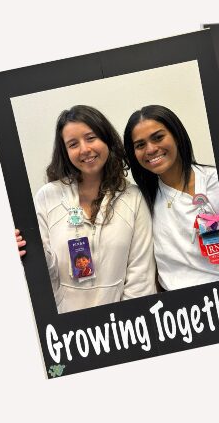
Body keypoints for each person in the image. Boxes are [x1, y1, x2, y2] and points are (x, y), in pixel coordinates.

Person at [17, 105, 156, 313]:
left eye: (91, 138)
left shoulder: (133, 197)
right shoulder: (47, 196)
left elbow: (141, 276)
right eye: (73, 144)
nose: (84, 149)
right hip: (66, 325)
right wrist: (26, 252)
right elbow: (46, 273)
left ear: (106, 139)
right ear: (65, 152)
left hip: (122, 325)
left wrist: (127, 324)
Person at [124, 105, 219, 291]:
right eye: (140, 145)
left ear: (176, 136)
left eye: (158, 137)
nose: (150, 149)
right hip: (183, 310)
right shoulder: (141, 201)